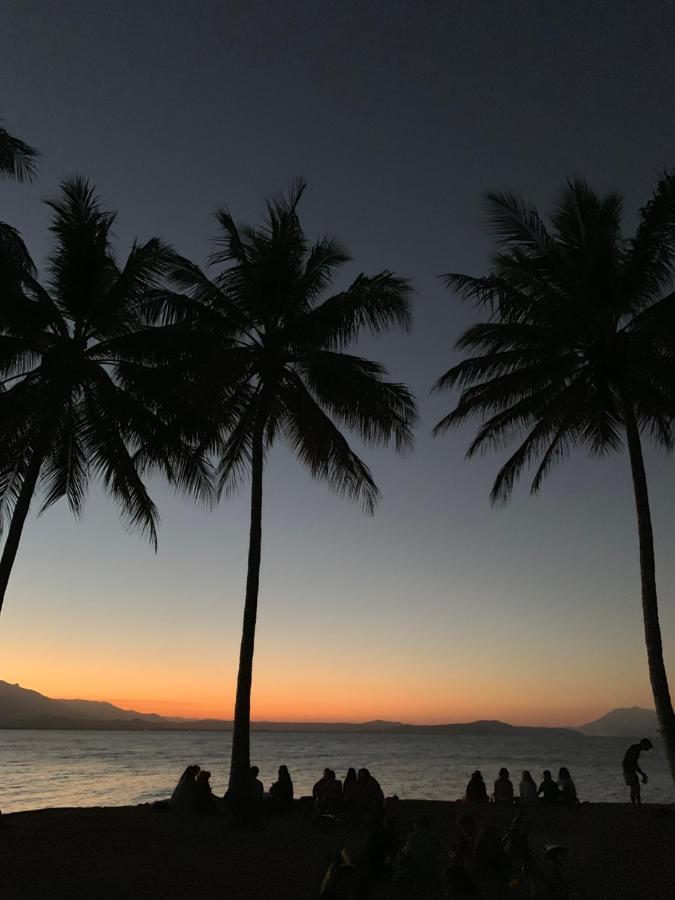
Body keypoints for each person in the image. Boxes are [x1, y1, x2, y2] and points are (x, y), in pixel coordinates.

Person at [394, 814, 439, 892]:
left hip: (415, 871)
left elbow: (406, 854)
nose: (413, 825)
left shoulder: (412, 837)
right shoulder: (433, 838)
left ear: (418, 824)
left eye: (415, 823)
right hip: (429, 872)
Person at [622, 738, 653, 806]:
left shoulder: (636, 749)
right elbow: (632, 762)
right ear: (643, 745)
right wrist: (641, 773)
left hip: (630, 769)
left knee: (636, 787)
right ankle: (635, 805)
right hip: (629, 769)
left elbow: (634, 763)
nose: (646, 750)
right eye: (647, 747)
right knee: (635, 787)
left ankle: (637, 804)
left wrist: (641, 773)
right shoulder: (634, 750)